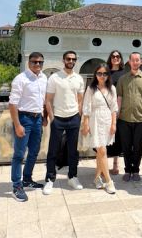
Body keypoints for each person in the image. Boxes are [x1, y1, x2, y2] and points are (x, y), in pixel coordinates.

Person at [43, 51, 85, 195]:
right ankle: (49, 179)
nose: (71, 61)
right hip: (58, 119)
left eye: (73, 59)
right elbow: (48, 100)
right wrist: (52, 118)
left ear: (75, 61)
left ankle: (72, 176)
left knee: (73, 151)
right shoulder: (55, 78)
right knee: (53, 150)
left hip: (74, 118)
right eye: (68, 58)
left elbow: (80, 100)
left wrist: (78, 116)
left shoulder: (78, 79)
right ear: (63, 60)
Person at [9, 52, 48, 202]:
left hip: (38, 119)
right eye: (34, 62)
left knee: (34, 151)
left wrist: (44, 116)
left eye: (40, 62)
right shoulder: (21, 79)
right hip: (23, 118)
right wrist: (17, 124)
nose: (37, 65)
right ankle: (16, 186)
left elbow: (44, 100)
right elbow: (12, 104)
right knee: (19, 154)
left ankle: (27, 179)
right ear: (28, 62)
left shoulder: (44, 78)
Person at [116, 52, 142, 181]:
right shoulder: (123, 79)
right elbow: (119, 98)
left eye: (137, 60)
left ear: (141, 62)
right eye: (133, 60)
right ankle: (127, 170)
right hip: (124, 118)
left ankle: (136, 170)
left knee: (138, 146)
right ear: (129, 62)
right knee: (126, 146)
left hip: (140, 118)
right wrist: (116, 115)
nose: (135, 62)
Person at [82, 64, 118, 194]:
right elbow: (86, 107)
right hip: (95, 119)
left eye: (104, 74)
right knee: (102, 150)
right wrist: (85, 124)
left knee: (101, 151)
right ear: (95, 74)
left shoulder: (112, 88)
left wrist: (114, 124)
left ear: (108, 75)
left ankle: (97, 178)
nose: (102, 76)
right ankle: (109, 181)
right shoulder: (91, 89)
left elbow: (114, 108)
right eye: (99, 73)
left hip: (107, 120)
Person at [106, 50, 125, 175]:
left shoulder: (124, 74)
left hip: (119, 109)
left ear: (121, 59)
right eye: (113, 56)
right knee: (103, 136)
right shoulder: (105, 73)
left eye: (118, 56)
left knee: (116, 137)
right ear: (110, 58)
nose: (115, 58)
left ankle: (115, 164)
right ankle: (102, 164)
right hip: (104, 108)